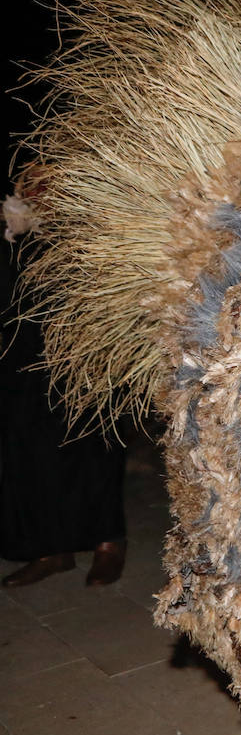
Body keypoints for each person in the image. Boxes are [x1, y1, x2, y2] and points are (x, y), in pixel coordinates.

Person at [2, 191, 128, 588]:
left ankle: (108, 540)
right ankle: (51, 548)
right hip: (19, 302)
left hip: (81, 287)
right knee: (28, 428)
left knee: (92, 420)